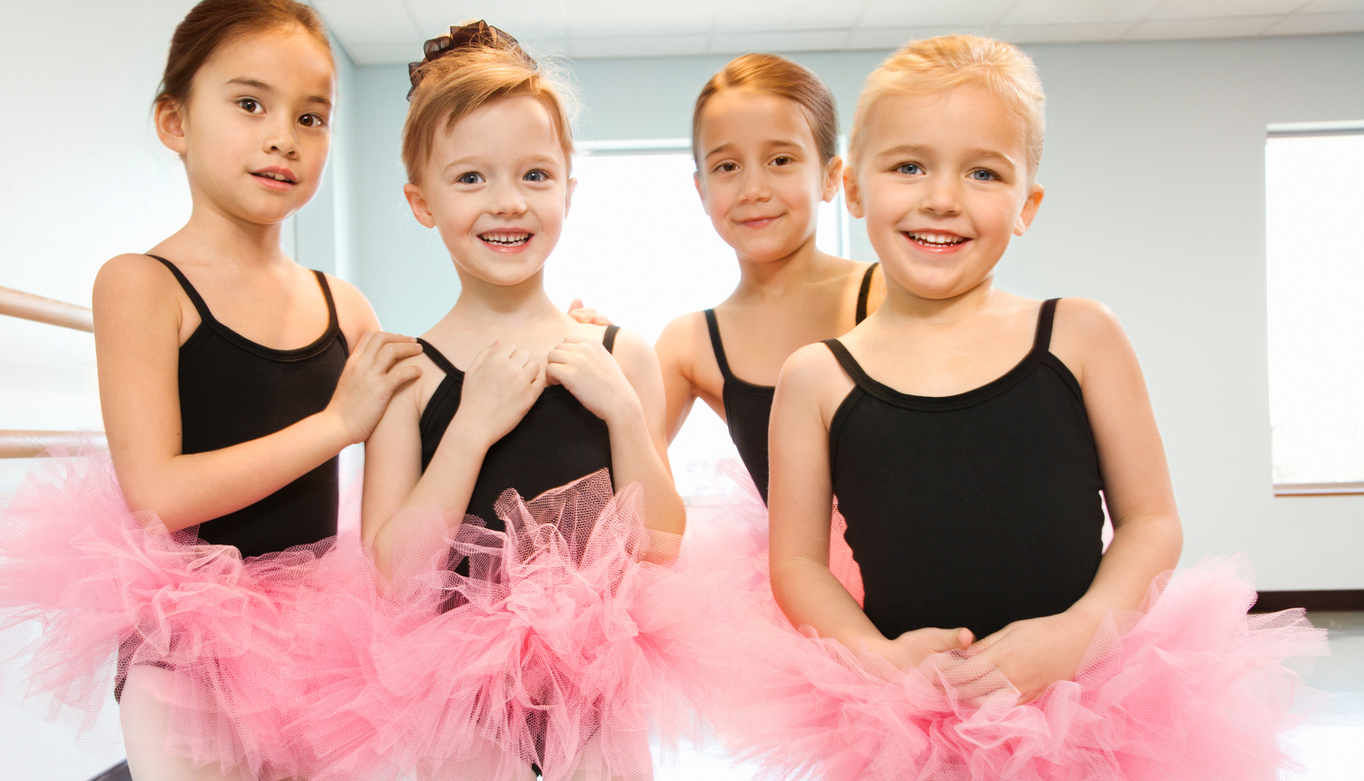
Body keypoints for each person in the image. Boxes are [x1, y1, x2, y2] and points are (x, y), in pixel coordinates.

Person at [719, 35, 1324, 780]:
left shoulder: (1080, 334)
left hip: (1088, 699)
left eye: (982, 171)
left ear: (1027, 204)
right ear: (852, 188)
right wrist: (879, 657)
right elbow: (799, 564)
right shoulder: (815, 376)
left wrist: (1075, 635)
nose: (942, 196)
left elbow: (1152, 520)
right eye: (909, 166)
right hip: (910, 713)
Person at [0, 2, 420, 779]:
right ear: (174, 121)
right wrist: (336, 422)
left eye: (312, 117)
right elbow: (158, 493)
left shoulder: (347, 307)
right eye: (250, 104)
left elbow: (400, 490)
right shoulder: (142, 284)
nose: (283, 135)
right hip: (189, 641)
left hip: (319, 638)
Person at [284, 22, 687, 781]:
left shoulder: (621, 353)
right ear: (421, 201)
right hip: (461, 712)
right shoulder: (410, 377)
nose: (508, 203)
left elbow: (663, 542)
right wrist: (470, 426)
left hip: (597, 703)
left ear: (569, 187)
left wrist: (625, 412)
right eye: (471, 179)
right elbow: (395, 576)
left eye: (535, 175)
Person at [656, 53, 884, 504]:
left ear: (831, 177)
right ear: (701, 190)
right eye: (727, 166)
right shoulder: (690, 344)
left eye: (780, 160)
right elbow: (616, 479)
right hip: (781, 569)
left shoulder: (887, 296)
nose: (753, 190)